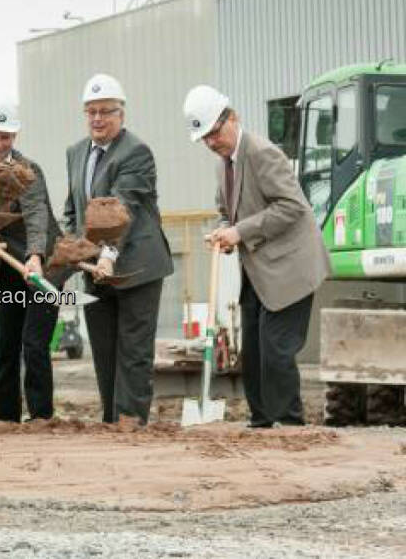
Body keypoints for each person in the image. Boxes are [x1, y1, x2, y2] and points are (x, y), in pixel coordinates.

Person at [184, 85, 330, 427]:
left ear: (232, 118)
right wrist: (224, 231)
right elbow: (226, 210)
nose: (210, 142)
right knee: (251, 350)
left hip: (291, 268)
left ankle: (289, 426)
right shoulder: (223, 165)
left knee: (277, 350)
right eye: (204, 138)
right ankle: (262, 421)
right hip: (258, 270)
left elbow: (293, 207)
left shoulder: (263, 153)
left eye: (214, 133)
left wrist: (241, 231)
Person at [62, 74, 173, 425]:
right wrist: (73, 251)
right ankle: (111, 422)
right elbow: (73, 209)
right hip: (95, 272)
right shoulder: (76, 153)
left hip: (136, 267)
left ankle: (131, 423)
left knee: (133, 352)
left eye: (106, 111)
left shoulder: (136, 153)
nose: (97, 118)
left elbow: (123, 208)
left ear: (121, 114)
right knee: (105, 351)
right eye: (91, 111)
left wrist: (108, 255)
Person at [0, 102, 62, 422]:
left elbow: (37, 215)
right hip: (10, 262)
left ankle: (41, 418)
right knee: (5, 343)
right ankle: (6, 420)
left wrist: (35, 256)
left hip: (46, 262)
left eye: (6, 137)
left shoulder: (27, 169)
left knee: (34, 343)